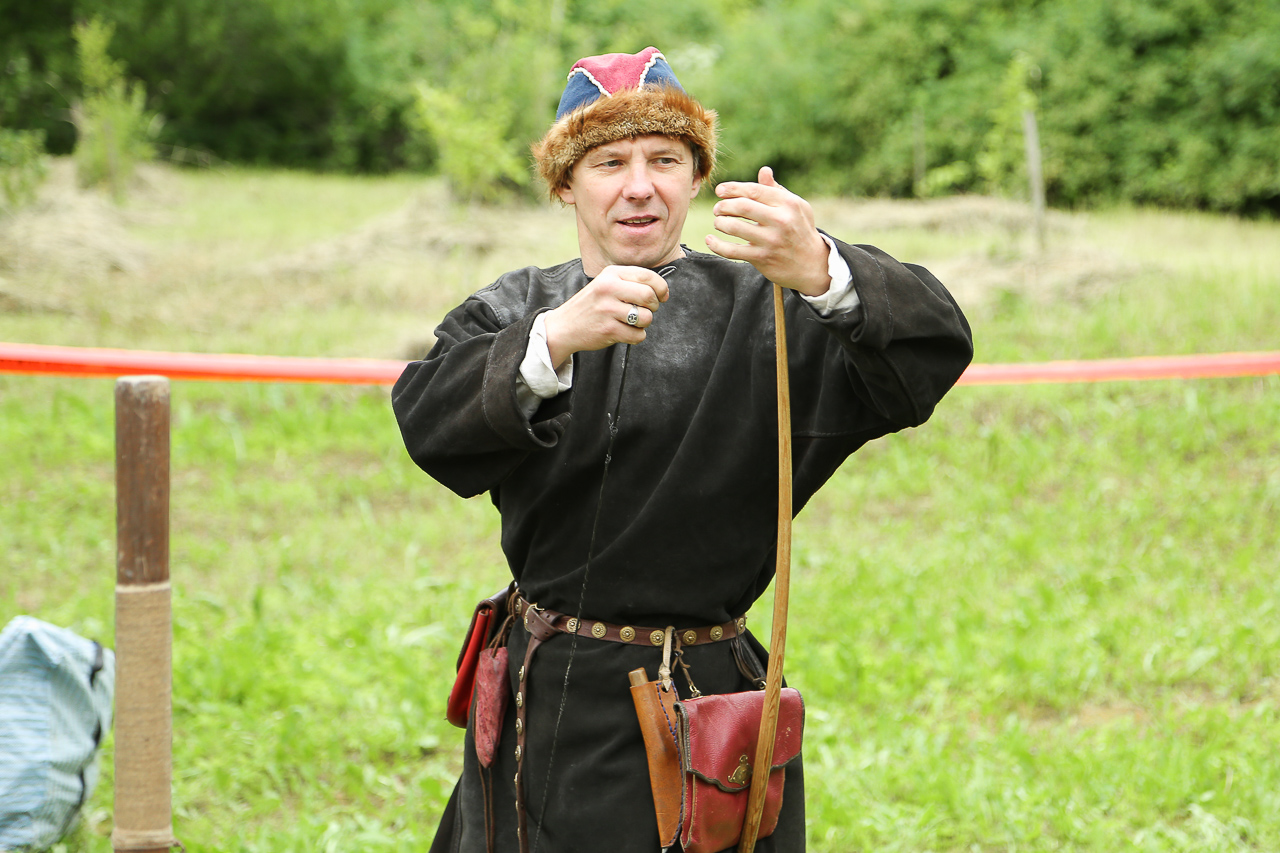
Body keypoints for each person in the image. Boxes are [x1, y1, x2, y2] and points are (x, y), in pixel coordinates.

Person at [393, 46, 973, 853]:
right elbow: (428, 420)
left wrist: (822, 269)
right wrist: (554, 339)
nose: (640, 185)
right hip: (548, 697)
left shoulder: (769, 311)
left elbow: (930, 350)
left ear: (697, 177)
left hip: (709, 710)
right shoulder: (517, 309)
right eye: (609, 163)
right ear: (565, 184)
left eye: (665, 159)